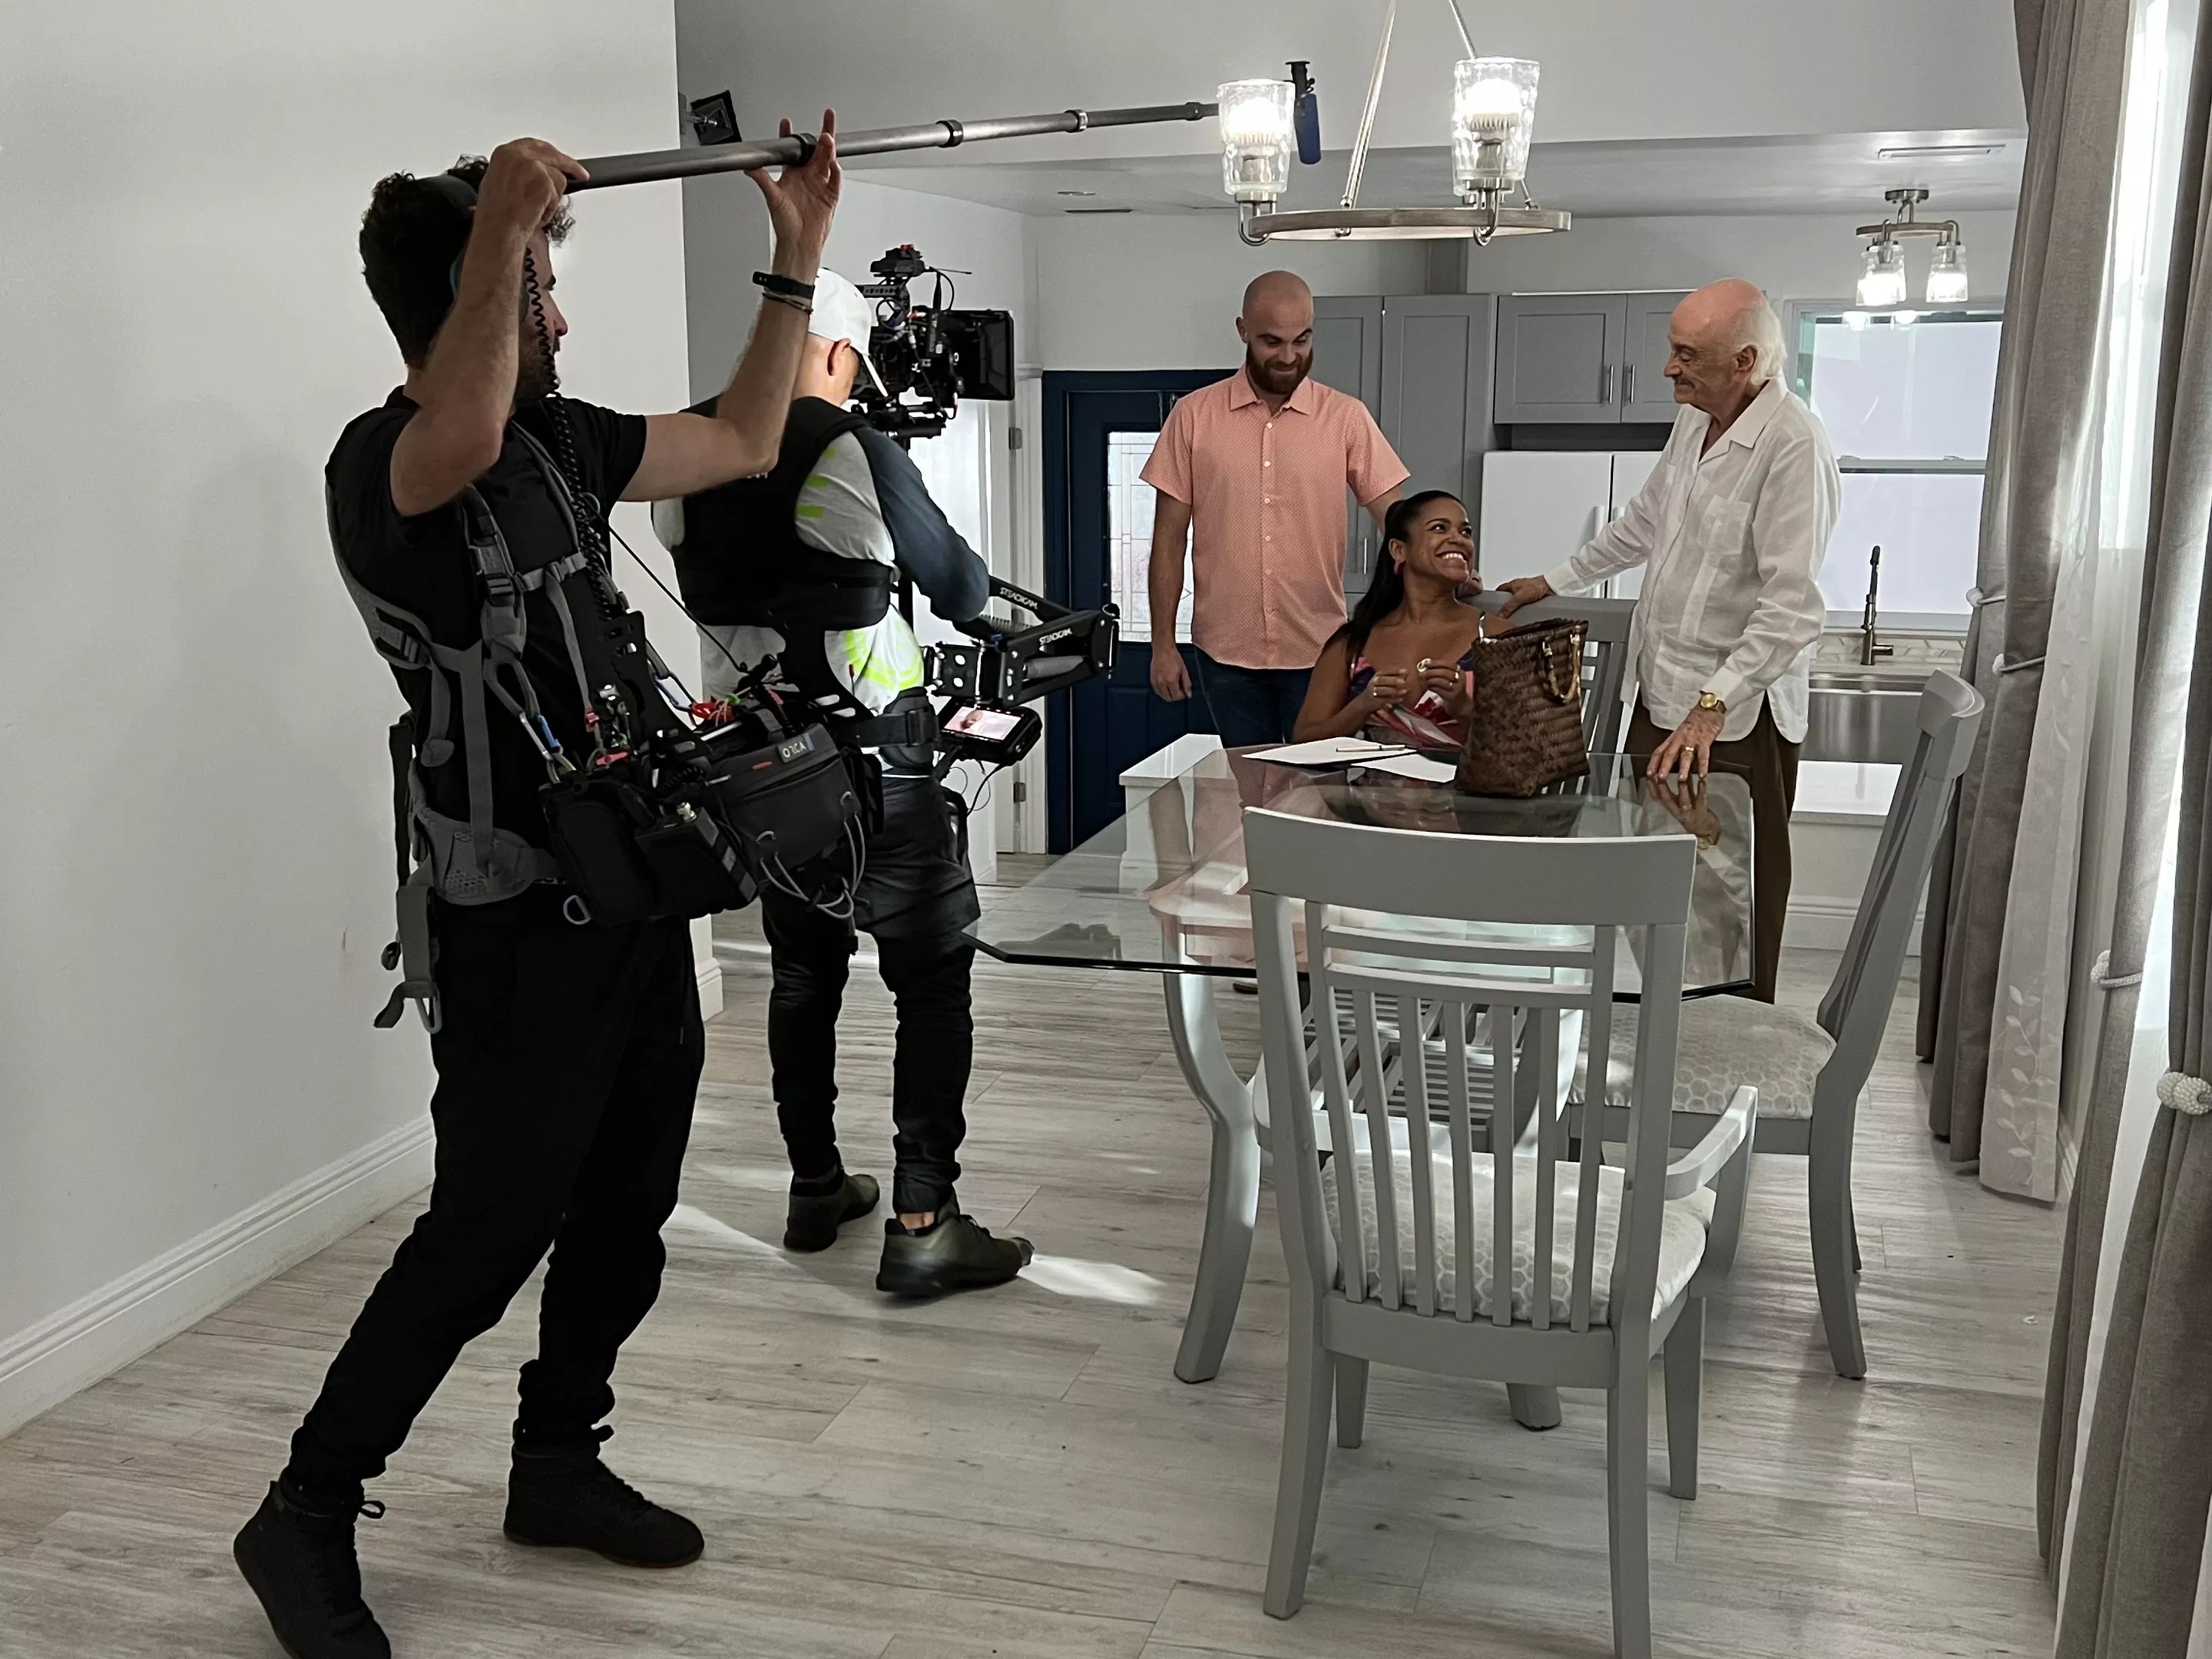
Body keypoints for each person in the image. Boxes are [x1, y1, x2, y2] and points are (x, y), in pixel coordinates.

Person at [233, 120, 843, 1659]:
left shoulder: (563, 445)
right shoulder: (383, 469)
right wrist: (500, 226)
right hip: (513, 930)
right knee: (486, 1232)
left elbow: (745, 439)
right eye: (533, 292)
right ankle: (305, 1508)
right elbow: (453, 435)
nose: (560, 315)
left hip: (630, 900)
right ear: (468, 301)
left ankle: (558, 1458)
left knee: (630, 1200)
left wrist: (795, 259)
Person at [652, 269, 1030, 1298]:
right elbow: (957, 584)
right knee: (931, 979)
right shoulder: (851, 447)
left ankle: (815, 1187)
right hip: (879, 771)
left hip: (761, 771)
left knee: (803, 977)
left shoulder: (680, 452)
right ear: (833, 353)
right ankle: (924, 1220)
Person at [1496, 279, 1839, 1002]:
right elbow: (1642, 524)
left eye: (1688, 355)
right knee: (1652, 886)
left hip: (1731, 719)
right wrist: (1554, 580)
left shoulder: (1793, 445)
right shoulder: (1695, 420)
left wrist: (1712, 707)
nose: (1668, 368)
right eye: (1671, 349)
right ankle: (1659, 1030)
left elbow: (1791, 608)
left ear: (1745, 361)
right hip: (1661, 699)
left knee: (1730, 904)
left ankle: (1731, 1046)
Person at [1142, 270, 1409, 746]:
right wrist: (1162, 643)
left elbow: (1397, 517)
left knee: (1321, 782)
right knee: (1251, 782)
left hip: (1319, 649)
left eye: (1301, 340)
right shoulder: (1193, 417)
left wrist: (1440, 561)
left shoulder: (1345, 418)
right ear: (1243, 330)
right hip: (1225, 655)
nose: (1289, 356)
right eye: (1272, 342)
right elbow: (1168, 539)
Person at [1293, 489, 1487, 749]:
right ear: (1398, 550)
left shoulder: (1495, 637)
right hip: (1370, 778)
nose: (1458, 539)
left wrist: (1463, 707)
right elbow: (1304, 740)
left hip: (1462, 777)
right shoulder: (1353, 643)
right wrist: (1362, 706)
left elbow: (1526, 746)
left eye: (1466, 532)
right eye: (1440, 528)